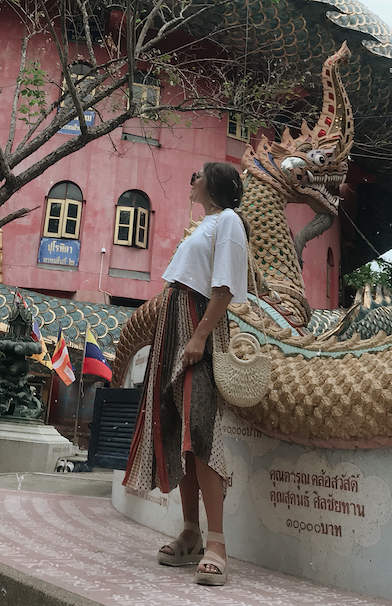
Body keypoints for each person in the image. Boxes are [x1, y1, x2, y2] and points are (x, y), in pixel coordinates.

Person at [123, 161, 248, 587]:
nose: (191, 178)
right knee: (179, 432)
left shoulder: (229, 220)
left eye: (198, 173)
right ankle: (191, 532)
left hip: (196, 323)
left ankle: (217, 543)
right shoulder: (205, 224)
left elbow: (225, 288)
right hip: (174, 325)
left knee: (200, 429)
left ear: (214, 184)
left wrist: (198, 337)